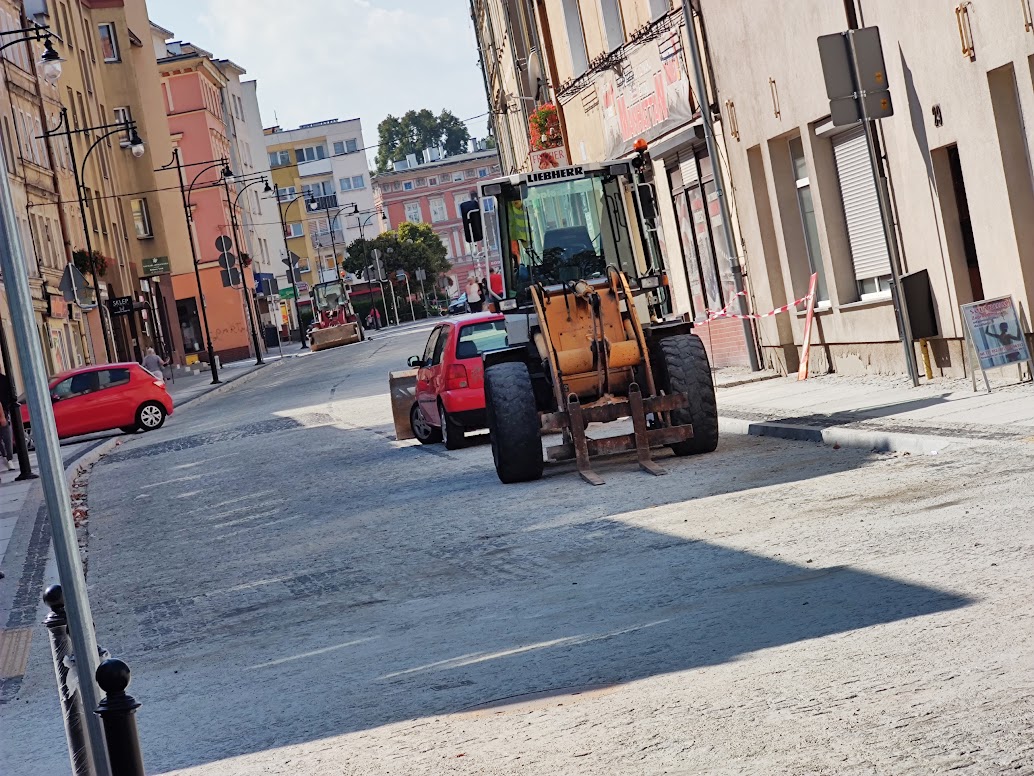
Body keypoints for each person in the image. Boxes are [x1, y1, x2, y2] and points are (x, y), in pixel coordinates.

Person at [0, 370, 14, 471]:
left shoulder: (4, 380)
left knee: (6, 436)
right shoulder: (5, 379)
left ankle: (7, 457)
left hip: (3, 411)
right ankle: (8, 458)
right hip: (4, 411)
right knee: (7, 437)